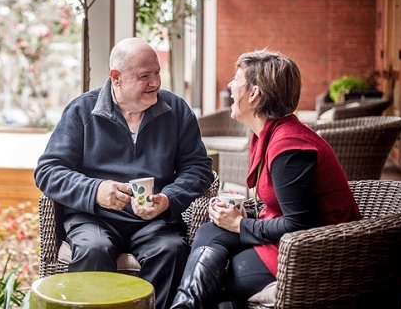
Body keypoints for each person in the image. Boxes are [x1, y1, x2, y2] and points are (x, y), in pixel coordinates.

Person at [170, 49, 362, 309]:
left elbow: (300, 225)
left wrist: (240, 224)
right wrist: (236, 218)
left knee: (225, 274)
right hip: (289, 241)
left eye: (236, 79)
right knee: (209, 231)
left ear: (254, 94)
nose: (229, 85)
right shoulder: (270, 134)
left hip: (318, 254)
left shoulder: (289, 147)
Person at [34, 37, 214, 308]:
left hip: (153, 220)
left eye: (157, 73)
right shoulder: (82, 110)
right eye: (144, 76)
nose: (155, 82)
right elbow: (48, 171)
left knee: (171, 250)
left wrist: (168, 199)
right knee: (94, 250)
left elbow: (199, 168)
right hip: (94, 217)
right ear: (116, 77)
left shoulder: (176, 111)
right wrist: (95, 191)